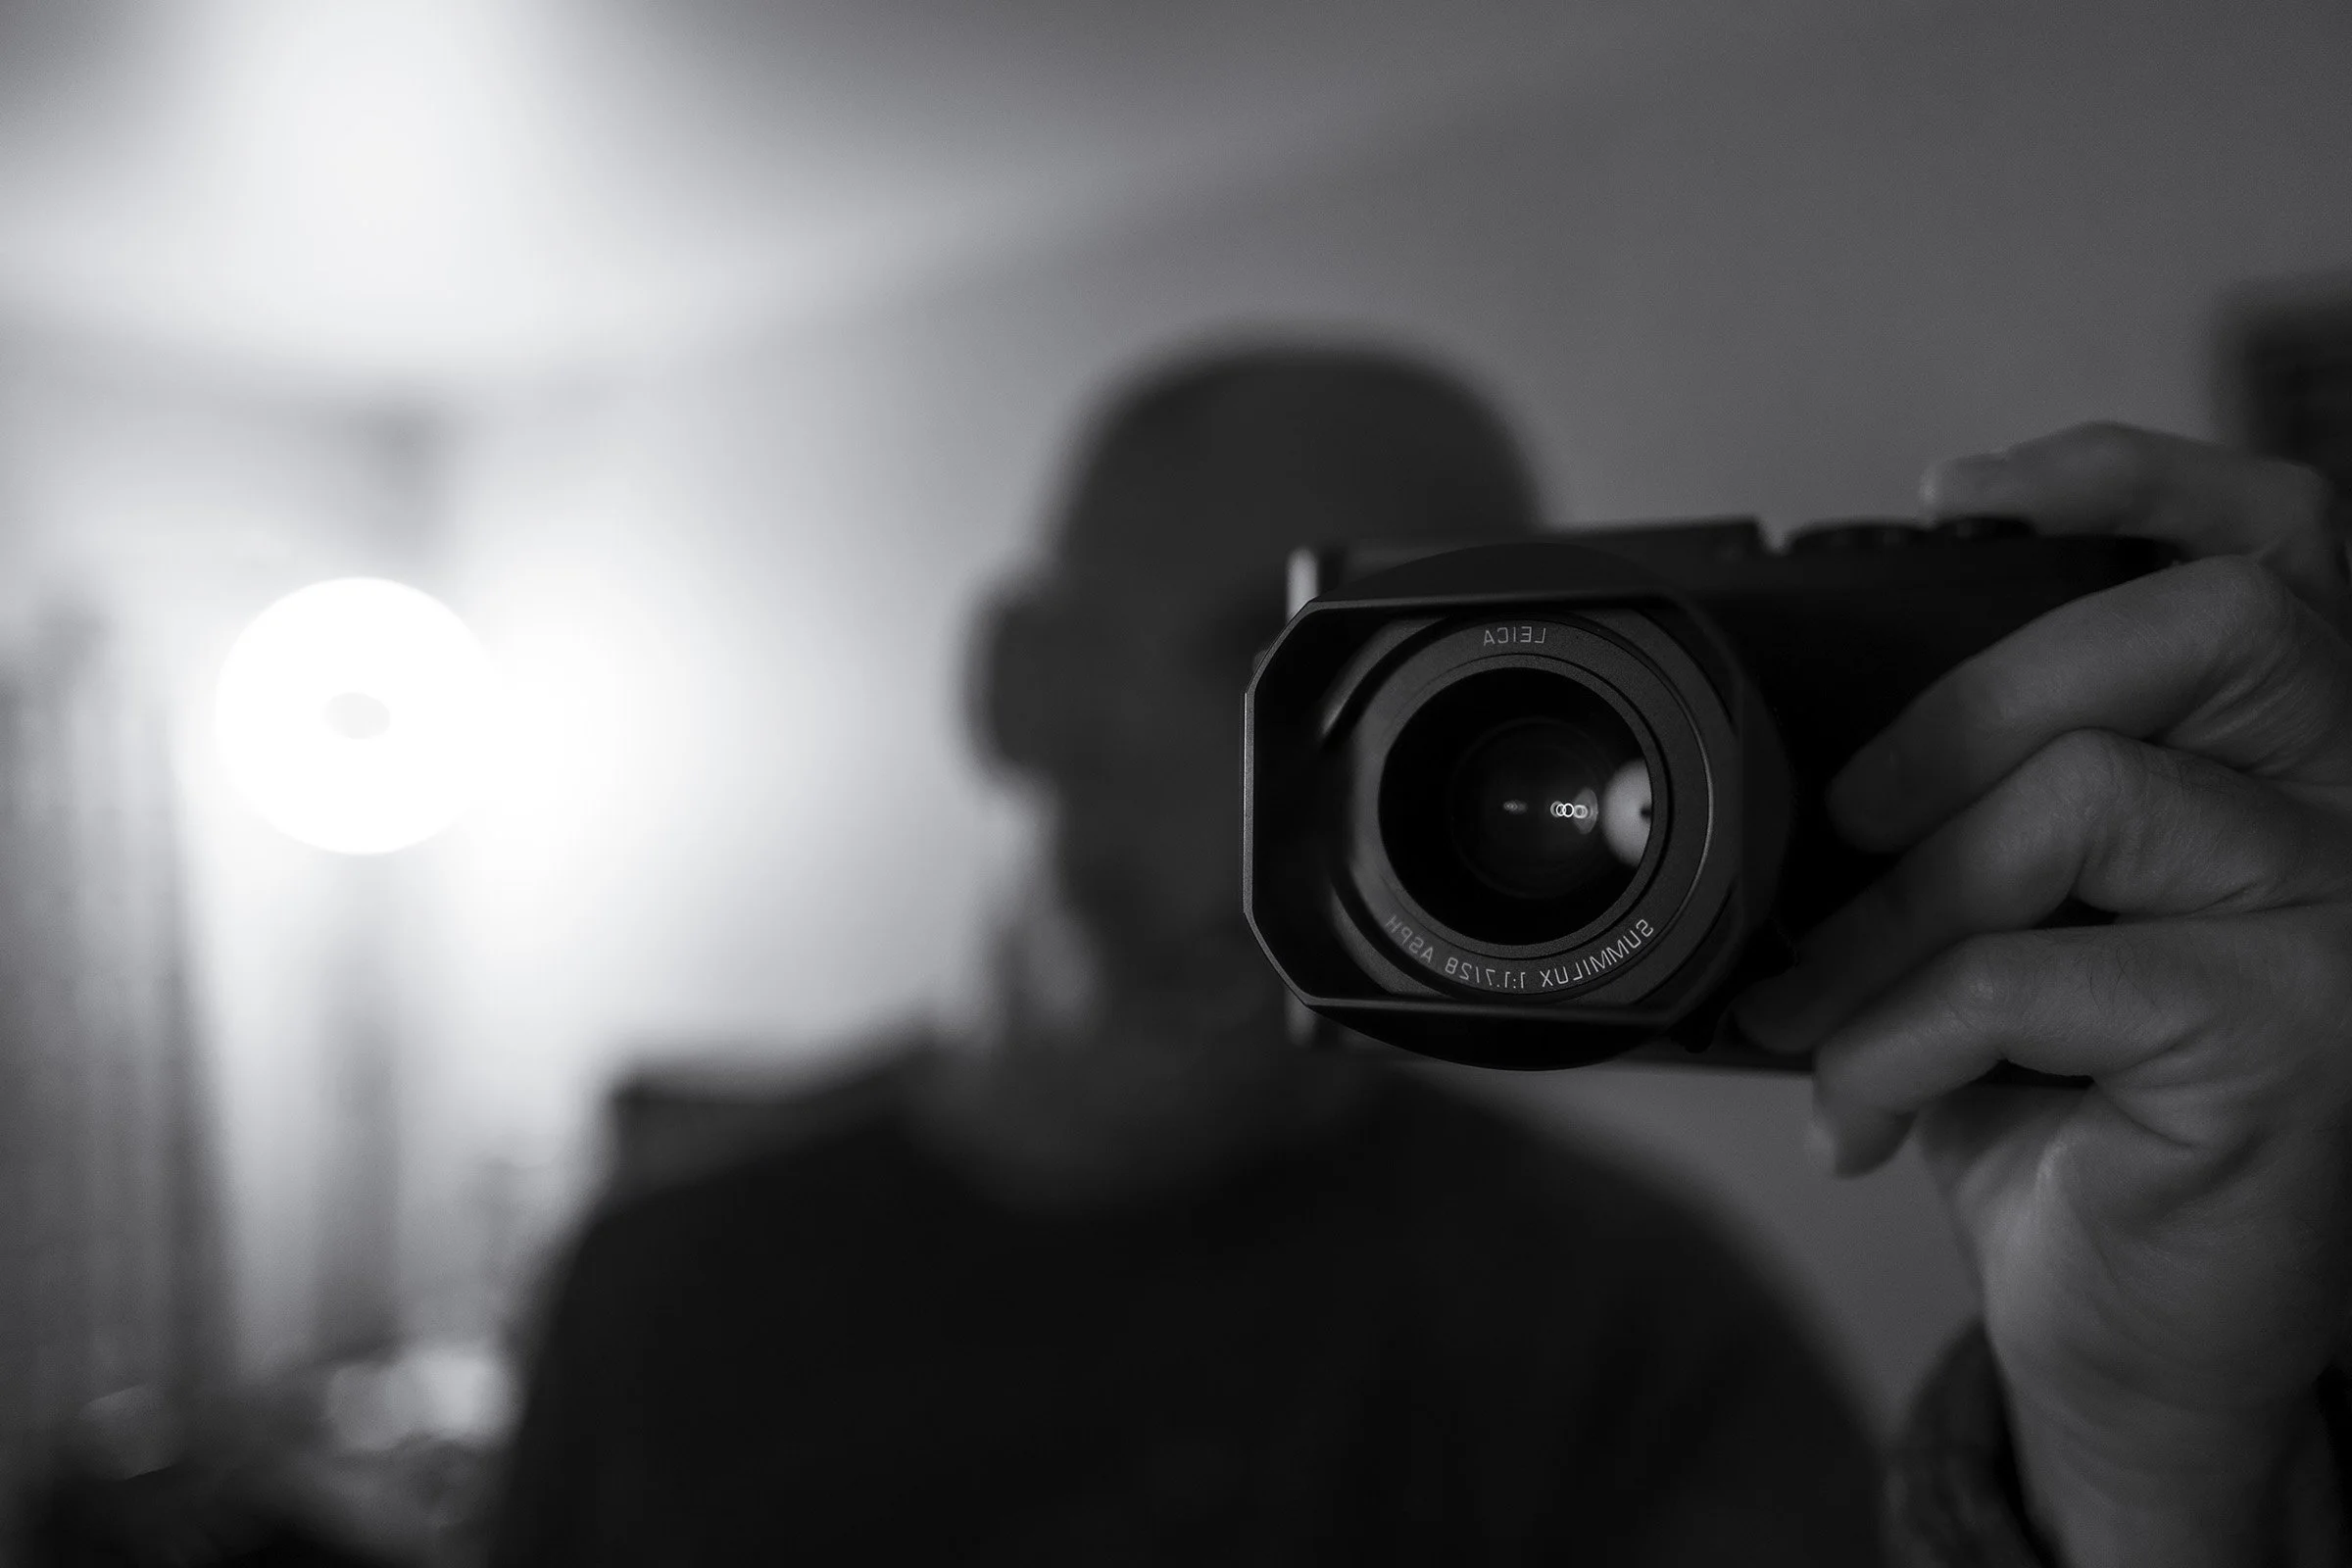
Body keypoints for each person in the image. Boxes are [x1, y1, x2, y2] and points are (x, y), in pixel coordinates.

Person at [495, 349, 2352, 1567]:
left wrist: (2154, 1472)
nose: (1387, 788)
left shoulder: (1619, 1321)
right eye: (1275, 649)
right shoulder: (659, 1288)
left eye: (1484, 665)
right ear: (1018, 688)